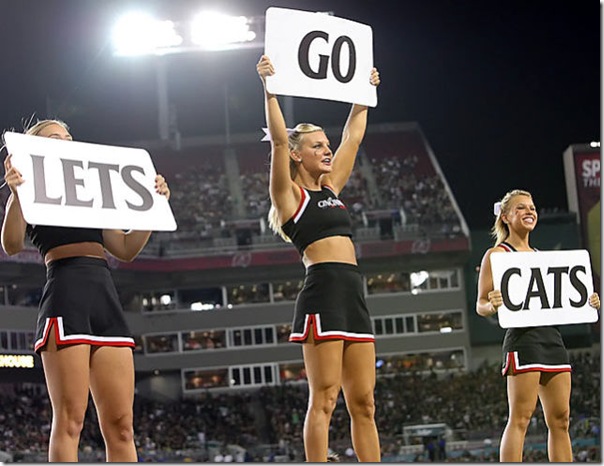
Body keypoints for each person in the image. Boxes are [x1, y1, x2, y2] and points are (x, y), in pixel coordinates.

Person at [1, 119, 171, 462]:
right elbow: (11, 244)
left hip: (105, 299)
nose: (65, 142)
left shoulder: (94, 193)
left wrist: (154, 208)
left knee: (122, 425)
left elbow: (124, 248)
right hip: (65, 295)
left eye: (68, 137)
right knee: (70, 421)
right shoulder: (29, 188)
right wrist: (16, 194)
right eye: (54, 138)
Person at [257, 55, 381, 462]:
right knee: (325, 398)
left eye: (326, 145)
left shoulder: (332, 188)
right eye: (317, 146)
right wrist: (269, 88)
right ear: (298, 155)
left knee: (364, 403)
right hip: (323, 293)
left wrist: (363, 93)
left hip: (353, 293)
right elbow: (278, 140)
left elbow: (354, 138)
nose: (327, 150)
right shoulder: (290, 197)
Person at [476, 188, 600, 462]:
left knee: (561, 420)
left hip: (553, 340)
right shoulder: (496, 255)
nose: (529, 211)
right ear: (506, 217)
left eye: (532, 207)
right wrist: (492, 304)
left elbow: (566, 298)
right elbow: (480, 305)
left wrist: (587, 300)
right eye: (521, 207)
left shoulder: (543, 257)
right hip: (523, 340)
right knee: (520, 419)